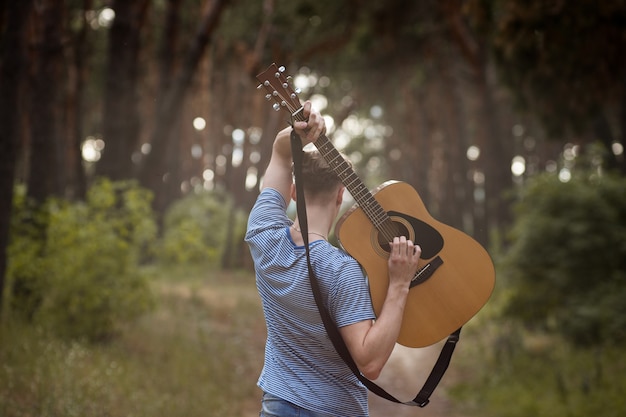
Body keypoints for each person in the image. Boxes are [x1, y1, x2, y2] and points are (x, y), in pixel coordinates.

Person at [245, 101, 421, 417]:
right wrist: (399, 284)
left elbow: (280, 153)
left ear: (294, 191)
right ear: (341, 195)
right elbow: (370, 362)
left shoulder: (264, 233)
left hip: (278, 407)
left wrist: (301, 131)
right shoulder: (342, 271)